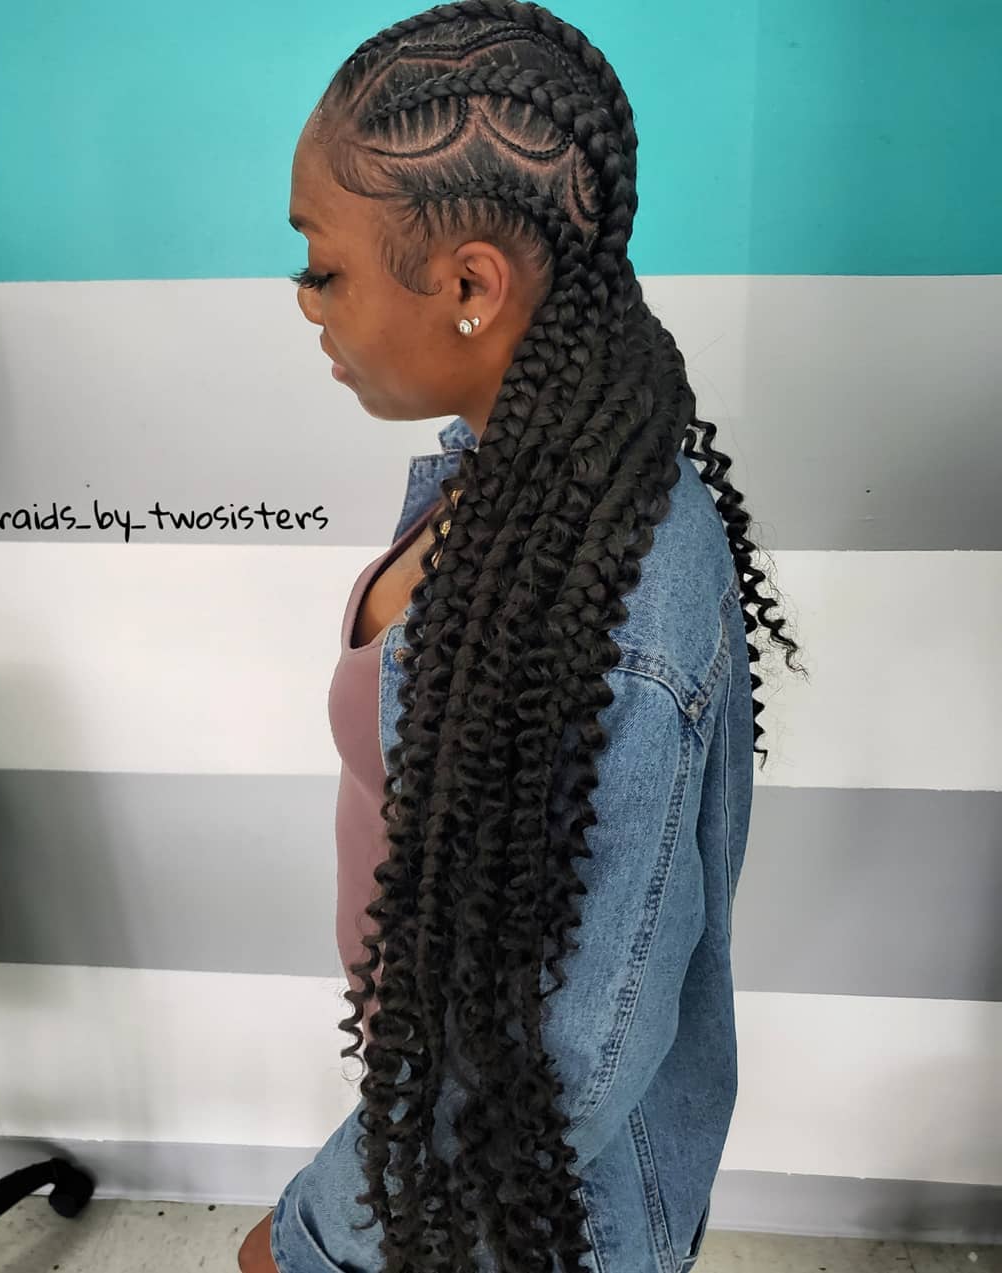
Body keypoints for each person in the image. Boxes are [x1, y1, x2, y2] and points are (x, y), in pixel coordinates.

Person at [240, 2, 803, 1270]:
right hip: (443, 1130)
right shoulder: (512, 473)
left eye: (323, 268)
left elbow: (566, 1065)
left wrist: (324, 1226)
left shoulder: (620, 608)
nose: (305, 302)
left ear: (470, 285)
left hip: (534, 1214)